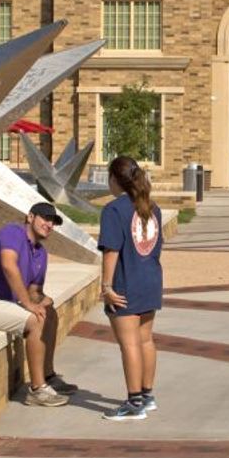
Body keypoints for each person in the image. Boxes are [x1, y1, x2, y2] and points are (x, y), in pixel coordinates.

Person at [0, 201, 69, 407]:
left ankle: (48, 374)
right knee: (35, 320)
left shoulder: (41, 253)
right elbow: (9, 266)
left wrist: (42, 300)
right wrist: (28, 304)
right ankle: (37, 390)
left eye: (53, 222)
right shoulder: (13, 232)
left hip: (2, 305)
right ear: (30, 217)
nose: (49, 224)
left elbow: (34, 291)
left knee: (49, 313)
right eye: (45, 218)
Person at [98, 155, 165, 420]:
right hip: (151, 280)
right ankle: (147, 396)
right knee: (146, 339)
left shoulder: (114, 210)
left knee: (130, 345)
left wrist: (106, 285)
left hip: (127, 283)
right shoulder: (152, 207)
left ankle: (134, 402)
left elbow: (111, 251)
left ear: (115, 179)